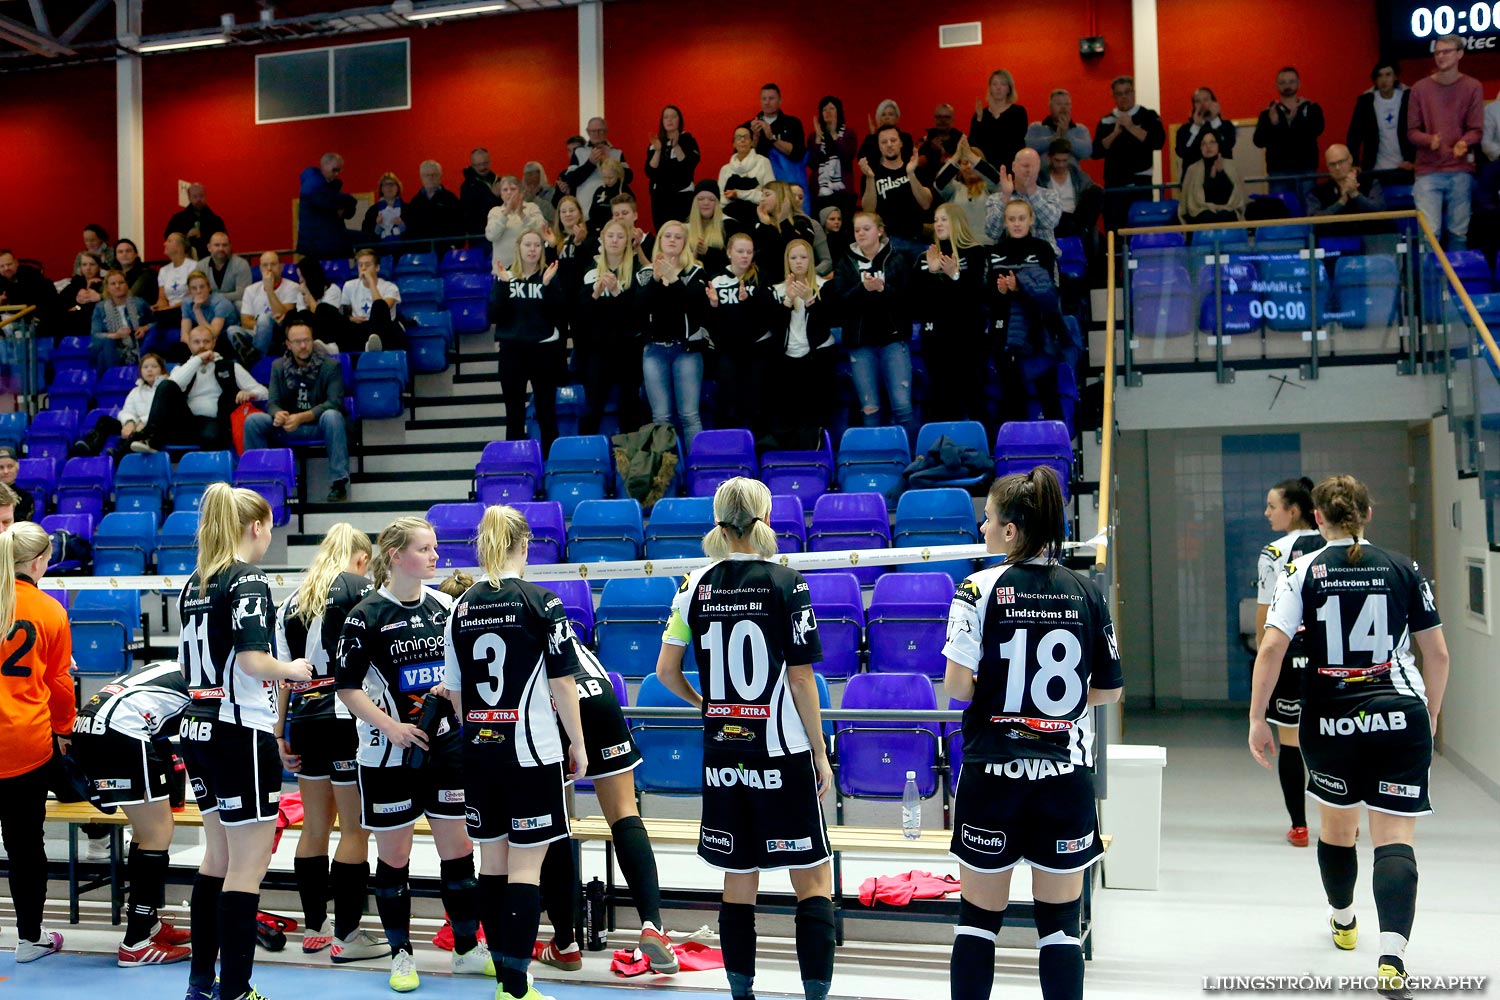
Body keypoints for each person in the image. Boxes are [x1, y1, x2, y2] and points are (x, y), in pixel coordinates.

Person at [1249, 476, 1449, 999]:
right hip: (1398, 714)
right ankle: (1391, 958)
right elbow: (1438, 655)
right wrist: (1430, 715)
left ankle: (1342, 919)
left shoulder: (1303, 571)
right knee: (1395, 840)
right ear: (1367, 513)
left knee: (1338, 833)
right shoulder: (1406, 569)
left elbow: (1271, 649)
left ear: (1317, 518)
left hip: (1330, 718)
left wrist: (1256, 718)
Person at [942, 465, 1122, 1000]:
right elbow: (1109, 690)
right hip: (1063, 777)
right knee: (1061, 927)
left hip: (993, 777)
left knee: (978, 922)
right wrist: (1055, 705)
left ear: (1012, 532)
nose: (982, 529)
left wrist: (1005, 699)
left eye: (989, 520)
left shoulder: (978, 587)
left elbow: (958, 686)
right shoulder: (1087, 591)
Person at [656, 476, 835, 1000]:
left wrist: (706, 705)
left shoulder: (692, 585)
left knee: (738, 877)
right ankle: (816, 995)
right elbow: (801, 679)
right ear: (764, 517)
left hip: (724, 754)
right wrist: (821, 753)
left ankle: (741, 994)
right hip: (781, 750)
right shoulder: (786, 582)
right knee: (813, 878)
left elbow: (665, 671)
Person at [336, 517, 491, 993]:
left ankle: (467, 948)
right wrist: (392, 727)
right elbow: (345, 688)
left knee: (459, 849)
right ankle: (402, 955)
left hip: (445, 748)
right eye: (425, 549)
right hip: (387, 754)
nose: (435, 556)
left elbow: (463, 671)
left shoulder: (445, 606)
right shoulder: (364, 616)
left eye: (435, 547)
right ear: (397, 555)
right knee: (395, 856)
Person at [442, 505, 590, 1000]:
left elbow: (458, 692)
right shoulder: (540, 602)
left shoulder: (459, 608)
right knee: (526, 870)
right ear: (524, 546)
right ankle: (515, 984)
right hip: (531, 754)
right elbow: (564, 683)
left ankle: (506, 977)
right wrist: (578, 744)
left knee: (492, 865)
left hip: (479, 753)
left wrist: (479, 735)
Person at [177, 484, 315, 1000]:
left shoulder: (196, 580)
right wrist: (294, 669)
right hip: (238, 730)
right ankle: (236, 989)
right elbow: (255, 661)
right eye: (270, 527)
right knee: (246, 867)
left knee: (216, 859)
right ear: (256, 527)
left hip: (198, 725)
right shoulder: (247, 579)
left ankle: (200, 984)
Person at [274, 524, 389, 963]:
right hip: (343, 714)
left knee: (315, 826)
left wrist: (280, 729)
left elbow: (286, 672)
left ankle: (315, 928)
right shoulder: (361, 589)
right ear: (361, 558)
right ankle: (348, 933)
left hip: (303, 717)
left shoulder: (291, 601)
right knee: (354, 828)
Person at [69, 659, 195, 966]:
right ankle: (137, 942)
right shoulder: (211, 675)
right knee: (158, 831)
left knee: (145, 830)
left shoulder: (174, 664)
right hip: (122, 729)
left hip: (90, 723)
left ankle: (147, 922)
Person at [0, 521, 74, 965]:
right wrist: (65, 729)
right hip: (25, 742)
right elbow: (61, 684)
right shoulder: (49, 610)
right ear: (39, 561)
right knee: (25, 844)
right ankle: (30, 938)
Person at [1253, 477, 1323, 849]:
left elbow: (1266, 614)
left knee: (1292, 743)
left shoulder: (1275, 552)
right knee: (1333, 737)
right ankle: (1343, 816)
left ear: (1293, 511)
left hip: (1292, 656)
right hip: (1332, 656)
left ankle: (1299, 826)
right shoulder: (1336, 543)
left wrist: (1266, 665)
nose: (1266, 513)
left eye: (1272, 506)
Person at [243, 316, 351, 503]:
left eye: (307, 340)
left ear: (313, 341)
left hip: (318, 424)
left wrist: (301, 417)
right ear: (288, 344)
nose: (303, 346)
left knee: (333, 416)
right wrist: (277, 413)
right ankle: (259, 485)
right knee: (253, 421)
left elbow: (334, 402)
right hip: (287, 425)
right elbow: (273, 401)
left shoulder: (331, 366)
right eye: (297, 342)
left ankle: (338, 483)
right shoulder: (278, 367)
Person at [833, 211, 915, 441]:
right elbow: (839, 302)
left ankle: (911, 459)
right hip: (861, 343)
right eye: (857, 230)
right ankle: (876, 458)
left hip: (893, 339)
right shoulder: (846, 262)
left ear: (880, 230)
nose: (860, 233)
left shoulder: (897, 259)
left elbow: (909, 300)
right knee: (870, 408)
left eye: (866, 228)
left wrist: (882, 290)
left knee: (902, 406)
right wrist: (863, 289)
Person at [986, 199, 1065, 425]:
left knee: (1049, 396)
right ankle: (1015, 455)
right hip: (1005, 332)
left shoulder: (1042, 248)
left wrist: (1019, 288)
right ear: (1005, 222)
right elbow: (988, 292)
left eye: (1021, 218)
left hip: (1039, 332)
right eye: (1012, 219)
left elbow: (1048, 290)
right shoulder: (995, 252)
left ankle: (1059, 451)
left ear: (1031, 220)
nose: (1017, 224)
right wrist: (1001, 291)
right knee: (1012, 398)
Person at [130, 325, 267, 454]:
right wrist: (198, 359)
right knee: (166, 385)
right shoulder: (184, 368)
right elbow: (172, 386)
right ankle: (149, 438)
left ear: (213, 343)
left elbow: (263, 391)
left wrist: (250, 394)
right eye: (196, 342)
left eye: (206, 341)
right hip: (185, 422)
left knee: (212, 437)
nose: (202, 346)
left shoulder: (230, 367)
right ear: (189, 344)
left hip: (215, 422)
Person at [1407, 35, 1485, 251]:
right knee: (1430, 235)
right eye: (1437, 52)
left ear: (1459, 54)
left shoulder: (1472, 86)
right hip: (1427, 170)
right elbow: (1412, 132)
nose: (1440, 56)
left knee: (1458, 233)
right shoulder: (1419, 89)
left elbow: (1476, 129)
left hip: (1460, 168)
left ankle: (1455, 282)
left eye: (1446, 52)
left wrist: (1464, 142)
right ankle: (1430, 284)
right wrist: (1428, 140)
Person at [493, 230, 565, 450]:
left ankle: (551, 469)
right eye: (528, 245)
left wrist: (546, 286)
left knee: (547, 414)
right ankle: (517, 468)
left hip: (543, 353)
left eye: (537, 245)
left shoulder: (549, 276)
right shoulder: (507, 277)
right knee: (514, 414)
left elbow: (559, 314)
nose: (532, 249)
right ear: (519, 248)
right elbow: (493, 315)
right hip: (512, 353)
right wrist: (504, 286)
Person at [574, 219, 646, 435]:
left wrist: (616, 292)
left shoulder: (638, 272)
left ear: (627, 241)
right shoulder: (590, 272)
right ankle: (588, 457)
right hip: (598, 350)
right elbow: (581, 316)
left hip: (628, 350)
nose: (615, 241)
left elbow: (637, 314)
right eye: (611, 236)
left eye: (620, 236)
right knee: (592, 407)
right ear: (602, 239)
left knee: (629, 406)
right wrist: (595, 293)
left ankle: (630, 460)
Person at [918, 203, 988, 425]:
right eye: (936, 220)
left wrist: (955, 276)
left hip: (968, 338)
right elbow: (919, 300)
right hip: (937, 340)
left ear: (957, 221)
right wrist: (931, 273)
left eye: (944, 219)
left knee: (974, 396)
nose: (938, 224)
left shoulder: (976, 252)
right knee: (942, 398)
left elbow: (976, 295)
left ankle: (982, 452)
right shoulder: (927, 256)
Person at [640, 220, 708, 446]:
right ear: (659, 241)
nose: (672, 240)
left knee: (689, 415)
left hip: (686, 351)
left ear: (685, 243)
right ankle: (665, 476)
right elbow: (638, 309)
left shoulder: (696, 272)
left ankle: (697, 471)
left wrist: (676, 280)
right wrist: (658, 280)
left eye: (678, 237)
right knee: (661, 417)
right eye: (667, 236)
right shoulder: (647, 274)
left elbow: (695, 306)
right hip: (655, 352)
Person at [704, 231, 773, 435]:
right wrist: (714, 305)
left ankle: (759, 452)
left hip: (757, 350)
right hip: (728, 351)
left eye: (749, 252)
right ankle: (729, 450)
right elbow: (710, 322)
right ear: (729, 253)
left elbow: (770, 316)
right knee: (728, 400)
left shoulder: (761, 278)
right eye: (740, 251)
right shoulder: (716, 281)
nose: (745, 256)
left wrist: (748, 302)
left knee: (756, 403)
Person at [767, 239, 835, 448]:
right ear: (787, 260)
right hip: (785, 360)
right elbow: (773, 327)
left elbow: (828, 323)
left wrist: (810, 300)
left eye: (803, 257)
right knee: (787, 413)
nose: (798, 262)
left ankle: (816, 456)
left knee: (814, 413)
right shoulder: (776, 290)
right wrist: (787, 301)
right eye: (793, 257)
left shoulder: (825, 286)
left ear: (811, 260)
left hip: (817, 358)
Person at [1094, 76, 1167, 234]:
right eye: (1119, 94)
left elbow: (1158, 142)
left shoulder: (1148, 115)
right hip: (1114, 184)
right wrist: (1115, 132)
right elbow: (1096, 151)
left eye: (1127, 92)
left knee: (1142, 227)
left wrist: (1131, 127)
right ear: (1114, 97)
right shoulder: (1106, 120)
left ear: (1134, 93)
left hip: (1141, 182)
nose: (1124, 97)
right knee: (1115, 228)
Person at [859, 126, 933, 259]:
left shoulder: (915, 169)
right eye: (884, 142)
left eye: (893, 140)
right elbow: (868, 210)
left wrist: (910, 174)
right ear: (879, 146)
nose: (889, 145)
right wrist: (870, 178)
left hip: (918, 239)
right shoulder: (871, 174)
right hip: (889, 242)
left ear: (900, 143)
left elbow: (926, 203)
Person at [1253, 67, 1325, 193]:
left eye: (1291, 81)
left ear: (1298, 84)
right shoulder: (1268, 113)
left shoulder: (1311, 108)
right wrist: (1273, 124)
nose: (1287, 85)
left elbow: (1317, 130)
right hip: (1278, 172)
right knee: (1281, 210)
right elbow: (1258, 141)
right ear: (1277, 86)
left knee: (1309, 210)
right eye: (1283, 82)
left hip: (1306, 169)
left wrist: (1297, 120)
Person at [1348, 61, 1415, 183]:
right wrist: (1354, 163)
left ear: (1395, 77)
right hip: (1376, 168)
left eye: (1388, 74)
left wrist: (1414, 160)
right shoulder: (1366, 101)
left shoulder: (1408, 98)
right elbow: (1354, 134)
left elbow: (1418, 130)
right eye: (1379, 75)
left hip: (1405, 166)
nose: (1384, 80)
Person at [985, 148, 1062, 250]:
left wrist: (1031, 191)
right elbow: (992, 233)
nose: (1029, 171)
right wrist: (1005, 197)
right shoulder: (996, 199)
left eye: (1034, 167)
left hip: (1042, 259)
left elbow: (1050, 222)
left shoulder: (1050, 195)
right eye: (1025, 166)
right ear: (1014, 166)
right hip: (1008, 259)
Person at [237, 250, 303, 365]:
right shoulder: (250, 290)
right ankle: (250, 355)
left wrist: (269, 290)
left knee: (264, 318)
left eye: (273, 264)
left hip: (279, 333)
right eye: (265, 265)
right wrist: (264, 327)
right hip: (257, 332)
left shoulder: (293, 287)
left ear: (281, 267)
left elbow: (284, 317)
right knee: (232, 330)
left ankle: (256, 361)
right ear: (260, 268)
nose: (269, 268)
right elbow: (245, 321)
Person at [1040, 138, 1103, 253]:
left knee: (1096, 192)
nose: (1061, 165)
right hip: (1054, 221)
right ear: (1049, 158)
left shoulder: (1079, 177)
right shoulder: (1041, 178)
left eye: (1064, 161)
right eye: (1057, 161)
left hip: (1077, 218)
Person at [933, 138, 1001, 246]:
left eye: (972, 162)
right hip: (960, 246)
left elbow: (996, 178)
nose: (969, 166)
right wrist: (956, 156)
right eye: (965, 162)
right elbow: (939, 183)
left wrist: (970, 155)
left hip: (986, 245)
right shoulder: (954, 189)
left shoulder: (990, 188)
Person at [337, 248, 405, 354]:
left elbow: (383, 309)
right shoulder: (349, 285)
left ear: (377, 267)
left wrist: (371, 283)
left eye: (367, 265)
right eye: (360, 265)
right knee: (328, 311)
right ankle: (332, 348)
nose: (363, 269)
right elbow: (344, 312)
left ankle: (376, 344)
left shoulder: (390, 287)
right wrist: (351, 319)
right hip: (361, 328)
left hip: (384, 329)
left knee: (379, 304)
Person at [645, 104, 701, 230]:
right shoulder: (656, 143)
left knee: (681, 233)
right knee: (662, 234)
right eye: (666, 117)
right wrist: (658, 151)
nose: (669, 120)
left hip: (682, 197)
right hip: (660, 199)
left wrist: (676, 147)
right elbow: (650, 172)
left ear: (679, 120)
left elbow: (689, 165)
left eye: (673, 117)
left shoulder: (688, 140)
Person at [750, 181, 815, 285]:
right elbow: (765, 255)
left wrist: (782, 219)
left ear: (781, 196)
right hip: (767, 284)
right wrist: (766, 225)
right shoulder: (760, 224)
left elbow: (789, 251)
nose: (762, 199)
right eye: (762, 195)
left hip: (796, 282)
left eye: (767, 195)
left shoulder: (801, 223)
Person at [561, 117, 632, 213]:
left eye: (600, 131)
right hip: (585, 209)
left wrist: (610, 162)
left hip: (613, 209)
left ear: (606, 131)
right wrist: (590, 163)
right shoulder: (579, 152)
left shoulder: (616, 153)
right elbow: (570, 180)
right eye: (593, 131)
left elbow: (629, 178)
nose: (596, 134)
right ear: (588, 132)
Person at [298, 153, 357, 259]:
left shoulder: (320, 184)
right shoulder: (314, 184)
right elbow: (327, 202)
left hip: (322, 241)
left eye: (339, 170)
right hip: (320, 242)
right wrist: (350, 200)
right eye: (334, 170)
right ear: (324, 165)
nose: (337, 174)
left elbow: (335, 205)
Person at [808, 95, 859, 219]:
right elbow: (812, 163)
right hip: (820, 193)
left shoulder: (848, 134)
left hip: (843, 193)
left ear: (839, 111)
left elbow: (847, 157)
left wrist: (834, 135)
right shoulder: (814, 136)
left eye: (832, 108)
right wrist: (819, 139)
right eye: (824, 109)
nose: (828, 112)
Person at [1179, 131, 1247, 224]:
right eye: (1204, 143)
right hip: (1201, 212)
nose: (1208, 146)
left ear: (1218, 145)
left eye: (1212, 142)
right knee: (1206, 216)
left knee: (1226, 216)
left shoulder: (1232, 166)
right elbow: (1189, 203)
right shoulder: (1192, 169)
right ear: (1200, 147)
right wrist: (1211, 179)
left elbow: (1235, 198)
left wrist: (1220, 174)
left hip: (1227, 211)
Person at [744, 82, 807, 181]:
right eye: (764, 99)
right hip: (757, 180)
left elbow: (798, 154)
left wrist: (772, 138)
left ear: (780, 100)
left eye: (771, 98)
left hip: (786, 180)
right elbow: (741, 158)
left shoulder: (793, 123)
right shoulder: (748, 126)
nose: (767, 102)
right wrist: (755, 138)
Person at [969, 69, 1028, 172]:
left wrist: (996, 114)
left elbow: (1014, 139)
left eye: (1003, 84)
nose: (998, 88)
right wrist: (979, 119)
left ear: (1009, 89)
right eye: (994, 84)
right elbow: (973, 145)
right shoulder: (981, 114)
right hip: (986, 170)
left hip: (1011, 168)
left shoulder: (1018, 112)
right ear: (990, 88)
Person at [487, 175, 548, 272]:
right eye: (505, 190)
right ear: (501, 194)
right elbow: (491, 235)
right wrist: (505, 213)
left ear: (520, 192)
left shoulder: (532, 208)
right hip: (503, 270)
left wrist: (523, 215)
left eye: (513, 189)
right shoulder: (495, 212)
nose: (509, 193)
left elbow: (542, 231)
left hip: (530, 269)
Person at [719, 126, 778, 225]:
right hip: (730, 217)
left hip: (757, 214)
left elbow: (771, 196)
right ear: (733, 143)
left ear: (752, 142)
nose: (742, 140)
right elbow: (720, 200)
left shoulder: (763, 162)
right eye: (738, 137)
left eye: (746, 137)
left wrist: (740, 194)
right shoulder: (725, 169)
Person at [1308, 144, 1386, 217]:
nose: (1337, 167)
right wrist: (1341, 202)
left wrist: (1355, 194)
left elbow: (1380, 209)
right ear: (1327, 166)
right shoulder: (1317, 192)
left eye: (1341, 162)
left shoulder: (1371, 183)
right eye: (1332, 164)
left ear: (1350, 159)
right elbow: (1314, 221)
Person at [150, 233, 198, 352]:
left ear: (180, 246)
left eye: (169, 241)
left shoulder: (193, 266)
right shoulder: (164, 270)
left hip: (187, 310)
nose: (164, 244)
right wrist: (160, 307)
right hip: (169, 313)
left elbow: (192, 295)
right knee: (153, 330)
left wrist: (170, 309)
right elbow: (162, 297)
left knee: (158, 330)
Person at [179, 270, 240, 362]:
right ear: (190, 290)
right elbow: (184, 335)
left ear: (209, 287)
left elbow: (213, 334)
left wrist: (197, 310)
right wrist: (195, 349)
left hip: (224, 338)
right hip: (203, 339)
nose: (199, 291)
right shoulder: (187, 302)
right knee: (180, 349)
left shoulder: (221, 303)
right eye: (194, 288)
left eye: (202, 287)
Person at [405, 160, 464, 247]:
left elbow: (460, 225)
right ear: (421, 177)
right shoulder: (415, 202)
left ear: (440, 176)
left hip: (446, 250)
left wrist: (455, 245)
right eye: (427, 175)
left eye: (434, 174)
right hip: (421, 253)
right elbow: (410, 228)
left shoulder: (450, 198)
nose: (430, 177)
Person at [1175, 87, 1237, 168]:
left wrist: (1214, 120)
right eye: (1198, 101)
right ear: (1193, 105)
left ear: (1214, 102)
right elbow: (1182, 152)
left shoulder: (1226, 126)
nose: (1202, 104)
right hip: (1195, 176)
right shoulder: (1184, 129)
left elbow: (1227, 145)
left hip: (1221, 173)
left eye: (1206, 100)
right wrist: (1196, 126)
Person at [116, 353, 166, 452]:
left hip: (155, 428)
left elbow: (163, 413)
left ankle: (117, 456)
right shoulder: (135, 391)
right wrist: (129, 422)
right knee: (105, 421)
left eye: (154, 366)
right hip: (136, 425)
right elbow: (127, 411)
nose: (149, 370)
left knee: (139, 434)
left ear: (162, 369)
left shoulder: (166, 388)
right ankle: (89, 450)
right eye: (145, 367)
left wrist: (143, 421)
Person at [1025, 89, 1092, 162]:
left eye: (1067, 104)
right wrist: (1054, 138)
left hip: (1071, 172)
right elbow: (1026, 148)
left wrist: (1066, 135)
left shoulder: (1080, 129)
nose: (1063, 108)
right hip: (1042, 172)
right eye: (1059, 104)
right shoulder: (1036, 127)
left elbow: (1087, 153)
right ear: (1050, 107)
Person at [686, 179, 735, 275]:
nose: (706, 203)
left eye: (711, 199)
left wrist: (709, 252)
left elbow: (735, 260)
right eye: (700, 199)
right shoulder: (685, 229)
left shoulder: (730, 226)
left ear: (717, 203)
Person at [166, 183, 227, 260]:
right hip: (184, 262)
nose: (199, 199)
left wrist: (203, 236)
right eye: (195, 196)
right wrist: (186, 236)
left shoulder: (216, 221)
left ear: (205, 196)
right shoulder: (178, 219)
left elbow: (223, 242)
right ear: (189, 198)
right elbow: (169, 240)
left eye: (201, 196)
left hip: (210, 262)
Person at [196, 232, 253, 306]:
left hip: (233, 305)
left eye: (225, 245)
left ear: (230, 247)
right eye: (217, 245)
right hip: (208, 305)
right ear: (209, 247)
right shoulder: (201, 266)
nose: (221, 249)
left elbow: (242, 293)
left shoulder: (241, 264)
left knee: (241, 304)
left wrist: (215, 297)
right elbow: (198, 290)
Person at [856, 100, 915, 172]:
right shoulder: (870, 139)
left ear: (897, 117)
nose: (887, 117)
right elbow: (863, 160)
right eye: (883, 115)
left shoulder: (905, 138)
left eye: (890, 114)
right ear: (879, 118)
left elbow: (909, 159)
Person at [61, 251, 105, 337]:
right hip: (71, 325)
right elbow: (60, 302)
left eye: (92, 264)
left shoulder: (105, 284)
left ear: (99, 267)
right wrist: (77, 306)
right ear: (80, 268)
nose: (88, 268)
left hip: (94, 324)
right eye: (84, 265)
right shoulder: (75, 285)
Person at [461, 149, 500, 245]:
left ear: (490, 161)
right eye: (478, 165)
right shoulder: (467, 187)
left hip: (500, 232)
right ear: (472, 164)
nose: (483, 167)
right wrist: (493, 196)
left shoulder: (498, 180)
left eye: (485, 163)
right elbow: (473, 214)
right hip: (480, 236)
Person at [362, 172, 407, 245]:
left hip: (404, 252)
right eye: (385, 185)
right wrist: (378, 226)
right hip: (380, 253)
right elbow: (366, 235)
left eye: (392, 184)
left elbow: (415, 232)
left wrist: (401, 225)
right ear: (381, 189)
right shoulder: (372, 211)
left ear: (398, 187)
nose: (389, 187)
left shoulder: (408, 209)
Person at [114, 239, 158, 304]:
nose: (124, 254)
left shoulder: (147, 273)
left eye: (128, 251)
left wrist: (101, 297)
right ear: (116, 256)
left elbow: (131, 297)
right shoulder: (114, 275)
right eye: (120, 252)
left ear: (136, 254)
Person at [0, 449, 34, 523]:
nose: (6, 471)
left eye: (10, 466)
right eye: (1, 467)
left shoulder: (26, 498)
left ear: (17, 468)